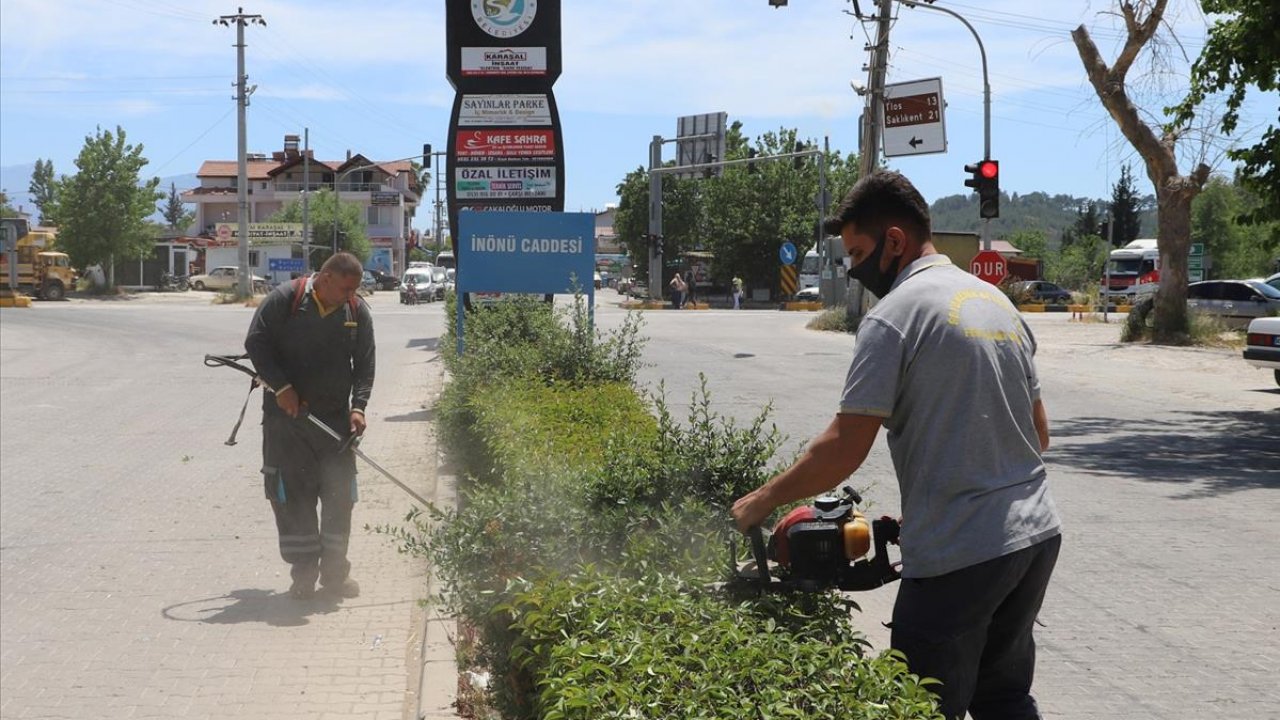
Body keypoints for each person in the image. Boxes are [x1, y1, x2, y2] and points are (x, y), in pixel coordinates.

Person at [731, 171, 1061, 720]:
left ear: (894, 242)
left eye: (858, 252)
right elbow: (1038, 435)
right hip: (1033, 539)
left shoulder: (894, 317)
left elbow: (843, 448)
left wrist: (760, 501)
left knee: (917, 707)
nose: (854, 269)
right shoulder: (996, 304)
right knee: (1002, 698)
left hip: (962, 554)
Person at [244, 252, 376, 600]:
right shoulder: (285, 300)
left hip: (334, 425)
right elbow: (255, 342)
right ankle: (303, 574)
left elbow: (365, 363)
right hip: (286, 423)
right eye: (346, 288)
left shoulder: (355, 311)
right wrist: (282, 387)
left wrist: (358, 407)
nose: (351, 296)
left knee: (338, 498)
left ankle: (334, 575)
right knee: (293, 499)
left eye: (355, 290)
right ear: (327, 277)